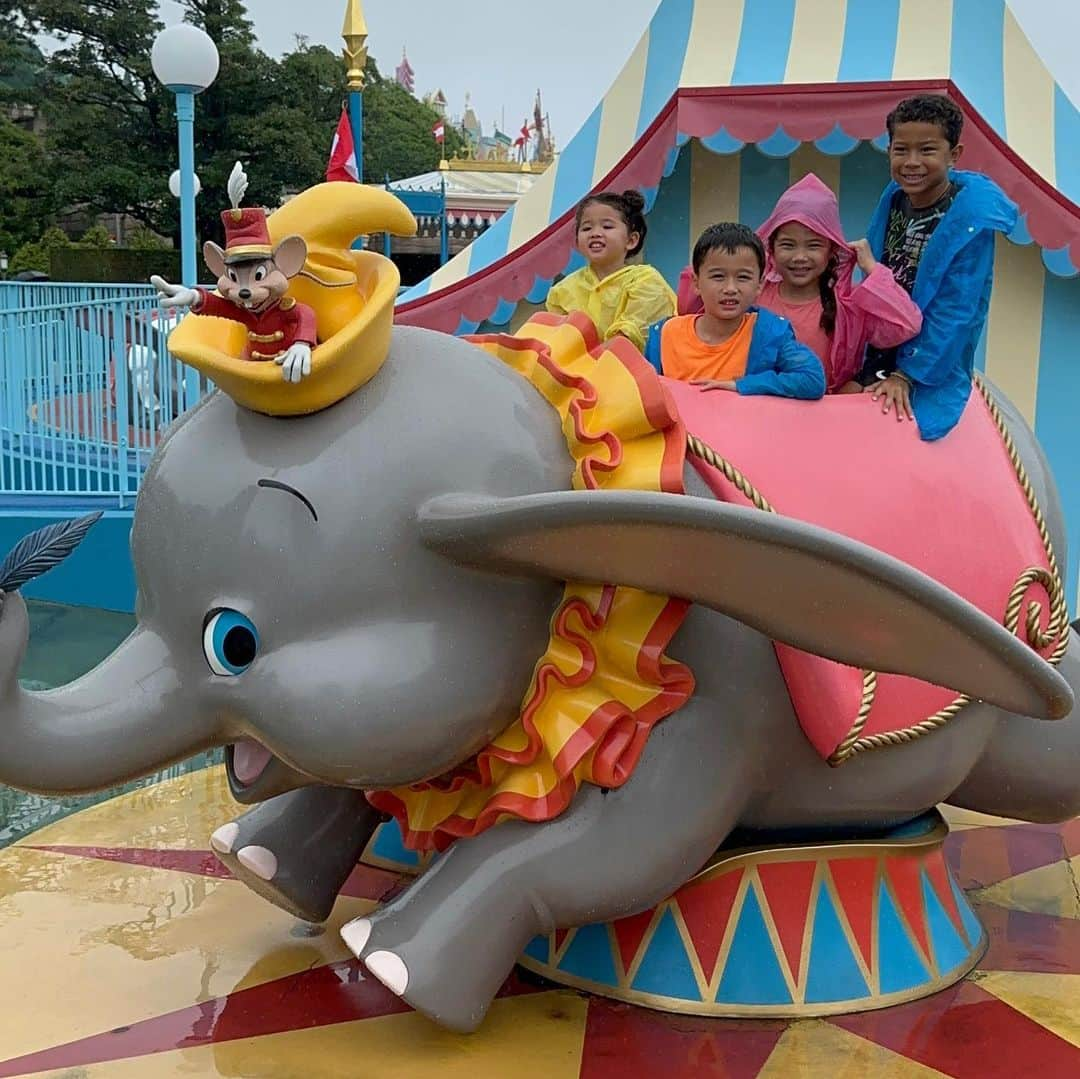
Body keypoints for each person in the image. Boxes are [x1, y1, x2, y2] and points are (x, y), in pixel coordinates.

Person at [860, 93, 1018, 440]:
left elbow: (958, 309)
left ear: (954, 155)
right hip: (881, 341)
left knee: (898, 428)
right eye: (901, 149)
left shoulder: (969, 224)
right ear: (889, 150)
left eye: (927, 150)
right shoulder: (894, 196)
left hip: (927, 359)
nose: (912, 162)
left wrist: (907, 375)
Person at [676, 174, 922, 394]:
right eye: (788, 245)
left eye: (814, 245)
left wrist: (872, 269)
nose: (800, 257)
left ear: (832, 251)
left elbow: (906, 325)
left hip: (820, 421)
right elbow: (692, 307)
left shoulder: (849, 305)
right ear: (770, 249)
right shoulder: (753, 293)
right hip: (753, 411)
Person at [643, 223, 825, 400]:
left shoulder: (770, 333)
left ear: (759, 284)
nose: (730, 288)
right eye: (718, 276)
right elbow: (643, 395)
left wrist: (742, 385)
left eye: (743, 277)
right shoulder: (665, 334)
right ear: (696, 282)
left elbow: (812, 380)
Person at [546, 190, 676, 351]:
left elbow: (627, 339)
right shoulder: (562, 290)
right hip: (574, 371)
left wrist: (587, 363)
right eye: (586, 228)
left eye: (607, 226)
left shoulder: (646, 281)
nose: (595, 234)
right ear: (577, 242)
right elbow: (556, 342)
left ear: (631, 240)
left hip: (631, 372)